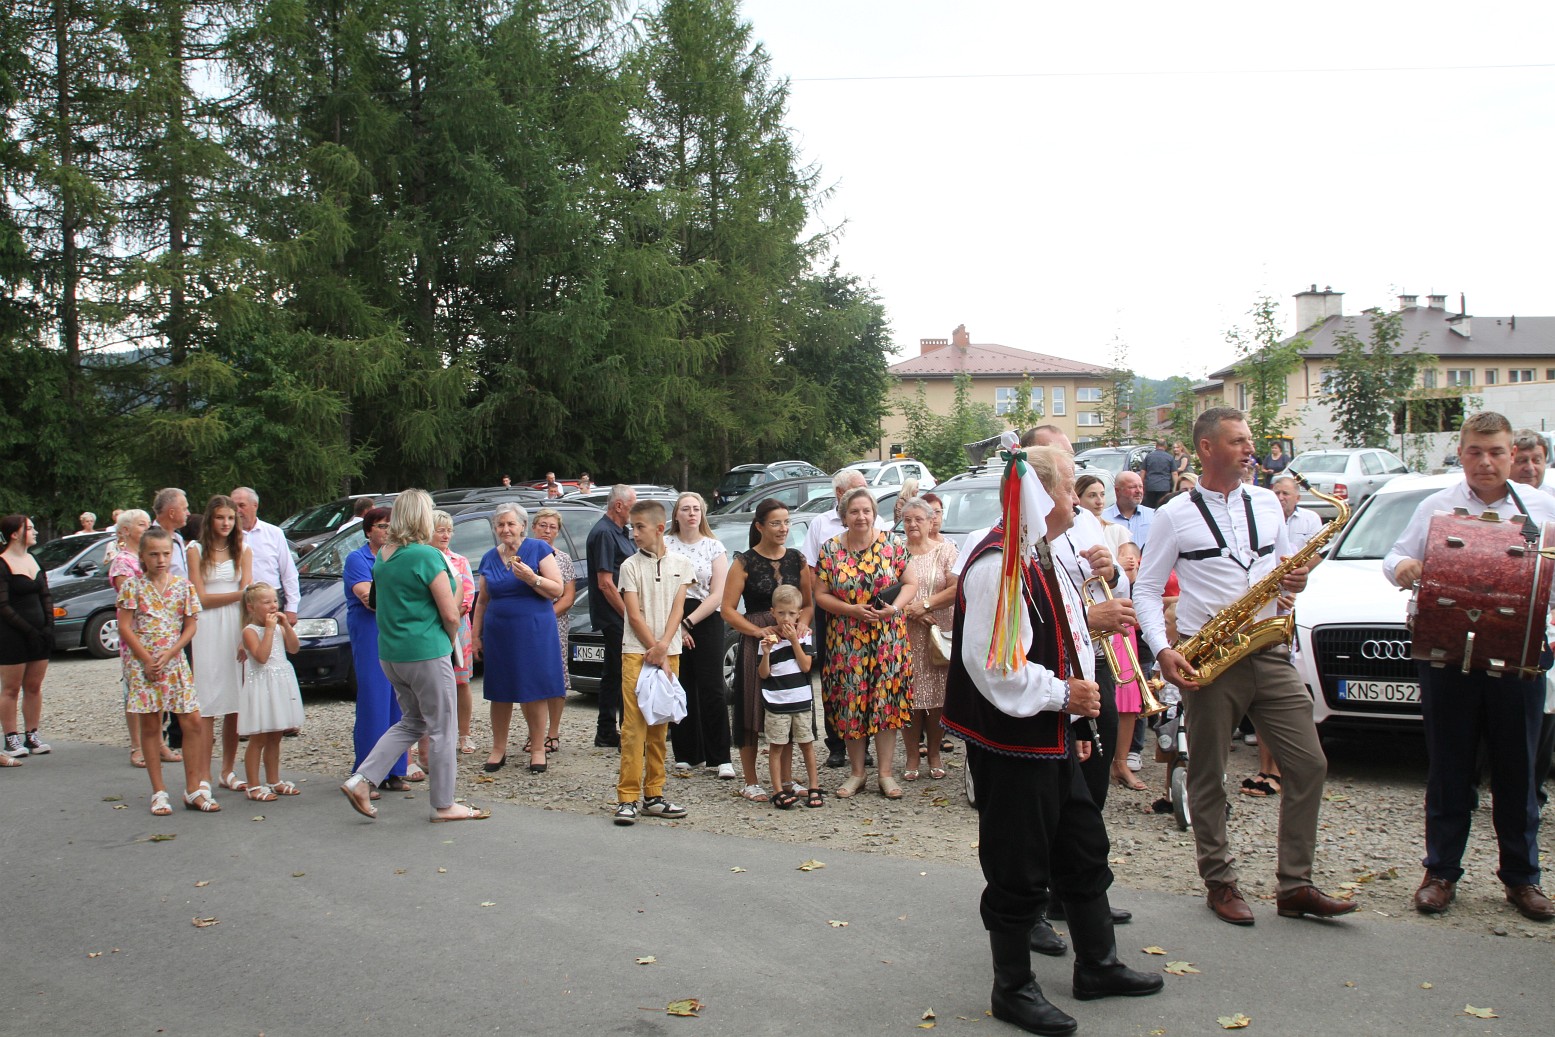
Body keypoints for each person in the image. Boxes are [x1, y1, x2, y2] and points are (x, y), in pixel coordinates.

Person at [944, 439, 1162, 1035]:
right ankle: (1012, 988)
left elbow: (1067, 638)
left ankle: (1098, 965)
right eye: (1069, 487)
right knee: (1017, 867)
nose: (1078, 498)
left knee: (1083, 846)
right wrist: (1066, 696)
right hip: (1014, 744)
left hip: (1056, 735)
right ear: (1041, 496)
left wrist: (1080, 721)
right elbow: (996, 668)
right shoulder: (997, 564)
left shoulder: (1044, 552)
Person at [1135, 406, 1355, 926]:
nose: (1250, 449)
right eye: (1238, 441)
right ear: (1207, 448)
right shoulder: (1173, 514)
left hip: (1267, 647)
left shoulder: (1267, 501)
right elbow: (1146, 589)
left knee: (1309, 764)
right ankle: (1220, 880)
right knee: (1208, 772)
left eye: (1249, 440)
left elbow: (1283, 567)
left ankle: (1295, 885)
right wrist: (1163, 650)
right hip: (1210, 656)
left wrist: (1294, 579)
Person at [1383, 412, 1555, 922]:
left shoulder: (1543, 508)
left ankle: (1522, 878)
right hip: (1447, 656)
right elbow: (1394, 558)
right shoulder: (1436, 506)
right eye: (1475, 452)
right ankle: (1440, 873)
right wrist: (1404, 568)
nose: (1485, 462)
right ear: (1460, 454)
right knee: (1449, 768)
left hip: (1519, 658)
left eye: (1496, 452)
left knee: (1517, 770)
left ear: (1512, 455)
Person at [340, 489, 490, 823]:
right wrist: (449, 641)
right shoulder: (426, 555)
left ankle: (362, 779)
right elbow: (450, 613)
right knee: (443, 727)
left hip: (392, 653)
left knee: (412, 721)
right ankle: (444, 803)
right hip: (425, 651)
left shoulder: (385, 555)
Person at [814, 487, 917, 799]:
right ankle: (857, 773)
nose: (861, 516)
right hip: (847, 639)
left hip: (888, 637)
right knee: (851, 703)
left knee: (886, 703)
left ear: (874, 514)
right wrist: (850, 610)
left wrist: (894, 609)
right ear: (844, 516)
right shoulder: (830, 549)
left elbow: (911, 583)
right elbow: (820, 595)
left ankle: (885, 774)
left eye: (866, 511)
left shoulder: (892, 544)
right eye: (854, 511)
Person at [721, 499, 814, 803]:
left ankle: (786, 778)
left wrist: (802, 624)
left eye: (786, 522)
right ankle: (751, 781)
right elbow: (727, 609)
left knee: (787, 704)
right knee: (751, 707)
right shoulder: (744, 562)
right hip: (758, 641)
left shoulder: (797, 559)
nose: (783, 528)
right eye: (776, 523)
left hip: (791, 640)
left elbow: (808, 603)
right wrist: (758, 631)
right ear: (760, 526)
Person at [117, 528, 215, 814]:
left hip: (175, 662)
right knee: (151, 725)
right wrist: (147, 658)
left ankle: (193, 788)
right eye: (153, 554)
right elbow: (125, 626)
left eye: (165, 554)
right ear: (142, 556)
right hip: (144, 663)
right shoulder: (133, 586)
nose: (160, 560)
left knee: (192, 721)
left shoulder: (183, 586)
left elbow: (191, 625)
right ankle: (158, 791)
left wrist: (172, 652)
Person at [613, 499, 694, 826]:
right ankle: (627, 798)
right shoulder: (629, 566)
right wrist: (653, 647)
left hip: (668, 653)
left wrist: (664, 647)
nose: (634, 533)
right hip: (637, 652)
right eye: (632, 527)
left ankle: (654, 794)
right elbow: (633, 614)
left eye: (639, 527)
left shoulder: (682, 564)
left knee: (660, 725)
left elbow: (678, 609)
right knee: (634, 728)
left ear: (659, 528)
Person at [802, 469, 890, 769]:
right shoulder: (820, 524)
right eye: (858, 488)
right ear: (840, 494)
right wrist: (831, 603)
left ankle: (868, 746)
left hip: (875, 615)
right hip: (835, 614)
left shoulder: (879, 523)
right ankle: (837, 744)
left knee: (874, 681)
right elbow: (811, 569)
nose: (862, 512)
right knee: (836, 679)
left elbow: (896, 571)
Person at [472, 502, 566, 773]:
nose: (505, 529)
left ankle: (538, 749)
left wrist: (531, 578)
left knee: (533, 690)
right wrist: (475, 636)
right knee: (499, 691)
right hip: (499, 632)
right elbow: (482, 601)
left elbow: (557, 589)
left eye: (511, 524)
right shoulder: (489, 557)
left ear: (523, 526)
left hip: (534, 630)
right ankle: (498, 749)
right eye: (500, 524)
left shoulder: (537, 549)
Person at [187, 495, 253, 792]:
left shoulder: (244, 549)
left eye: (230, 518)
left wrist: (245, 633)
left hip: (235, 626)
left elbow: (249, 596)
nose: (225, 523)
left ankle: (228, 769)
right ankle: (203, 773)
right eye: (219, 517)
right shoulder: (195, 550)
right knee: (207, 701)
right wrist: (241, 595)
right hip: (207, 627)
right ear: (209, 520)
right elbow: (200, 598)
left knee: (234, 702)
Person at [664, 492, 732, 778]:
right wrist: (677, 626)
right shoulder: (665, 545)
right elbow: (661, 587)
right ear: (676, 515)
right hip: (671, 616)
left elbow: (718, 594)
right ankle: (687, 754)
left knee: (712, 687)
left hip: (705, 617)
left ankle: (721, 757)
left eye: (696, 509)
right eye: (685, 509)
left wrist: (689, 623)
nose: (691, 513)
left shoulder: (714, 546)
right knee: (681, 684)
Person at [344, 507, 410, 792]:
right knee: (374, 701)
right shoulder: (357, 559)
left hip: (397, 632)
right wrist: (405, 599)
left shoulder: (400, 555)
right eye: (382, 526)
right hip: (371, 632)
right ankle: (366, 774)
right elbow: (368, 597)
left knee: (400, 701)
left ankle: (395, 770)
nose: (387, 531)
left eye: (391, 526)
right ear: (368, 530)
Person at [1510, 431, 1555, 812]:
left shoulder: (1550, 507)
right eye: (1522, 460)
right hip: (1504, 621)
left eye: (1536, 460)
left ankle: (1532, 792)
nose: (1529, 468)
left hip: (1546, 623)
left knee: (1545, 710)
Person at [112, 510, 176, 768]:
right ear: (126, 530)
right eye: (141, 524)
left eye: (148, 524)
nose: (147, 528)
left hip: (160, 635)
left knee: (159, 687)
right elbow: (134, 599)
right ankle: (137, 745)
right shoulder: (122, 562)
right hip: (137, 635)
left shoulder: (156, 556)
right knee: (137, 691)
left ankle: (159, 742)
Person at [899, 497, 957, 780]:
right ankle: (912, 755)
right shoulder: (896, 552)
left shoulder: (946, 550)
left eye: (918, 519)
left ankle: (934, 752)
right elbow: (885, 591)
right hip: (905, 633)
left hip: (938, 632)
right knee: (909, 695)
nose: (912, 524)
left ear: (931, 521)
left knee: (937, 697)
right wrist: (910, 611)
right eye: (907, 519)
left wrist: (924, 606)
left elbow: (956, 588)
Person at [238, 583, 305, 799]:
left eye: (275, 601)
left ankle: (273, 779)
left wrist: (286, 626)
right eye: (266, 602)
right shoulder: (249, 631)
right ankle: (253, 785)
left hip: (280, 684)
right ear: (251, 607)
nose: (273, 606)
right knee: (259, 738)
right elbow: (262, 656)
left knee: (276, 736)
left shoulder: (278, 627)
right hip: (262, 686)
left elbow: (294, 648)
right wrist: (268, 630)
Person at [759, 584, 820, 809]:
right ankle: (778, 790)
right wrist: (766, 653)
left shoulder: (805, 637)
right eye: (781, 613)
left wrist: (794, 641)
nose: (786, 618)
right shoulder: (768, 640)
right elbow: (763, 674)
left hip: (800, 700)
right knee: (776, 746)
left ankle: (814, 786)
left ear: (799, 614)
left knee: (806, 744)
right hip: (776, 702)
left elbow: (806, 666)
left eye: (792, 613)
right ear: (772, 612)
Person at [0, 516, 54, 761]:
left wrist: (48, 626)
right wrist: (29, 630)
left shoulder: (34, 559)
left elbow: (46, 595)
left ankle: (32, 734)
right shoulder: (2, 563)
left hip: (39, 634)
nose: (35, 532)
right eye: (29, 528)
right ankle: (10, 737)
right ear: (14, 534)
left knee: (34, 686)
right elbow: (3, 605)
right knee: (11, 688)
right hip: (12, 635)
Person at [587, 485, 637, 746]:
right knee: (628, 670)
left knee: (613, 672)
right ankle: (628, 732)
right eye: (632, 506)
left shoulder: (620, 532)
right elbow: (605, 583)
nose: (635, 512)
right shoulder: (605, 533)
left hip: (618, 614)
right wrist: (630, 616)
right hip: (615, 615)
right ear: (619, 506)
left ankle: (606, 730)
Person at [430, 511, 478, 760]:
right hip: (430, 629)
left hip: (457, 628)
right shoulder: (423, 559)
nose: (446, 535)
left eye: (449, 530)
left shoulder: (459, 561)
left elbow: (468, 596)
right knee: (430, 685)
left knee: (461, 682)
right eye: (440, 530)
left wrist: (450, 612)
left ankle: (464, 734)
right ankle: (427, 737)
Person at [532, 508, 576, 756]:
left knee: (557, 675)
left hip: (554, 623)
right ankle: (534, 732)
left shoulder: (563, 559)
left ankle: (553, 732)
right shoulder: (522, 555)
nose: (547, 531)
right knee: (531, 677)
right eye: (543, 525)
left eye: (552, 527)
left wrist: (545, 617)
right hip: (527, 624)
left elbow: (568, 597)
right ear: (533, 527)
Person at [231, 488, 300, 626]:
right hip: (237, 604)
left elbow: (288, 572)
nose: (237, 510)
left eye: (241, 505)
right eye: (233, 506)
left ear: (255, 505)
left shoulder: (274, 533)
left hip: (270, 604)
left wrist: (292, 608)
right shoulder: (228, 536)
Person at [1102, 471, 1154, 550]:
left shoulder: (1153, 515)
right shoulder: (1103, 518)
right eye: (1132, 487)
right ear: (1117, 490)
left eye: (1141, 487)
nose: (1138, 491)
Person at [1142, 439, 1174, 509]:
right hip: (1164, 486)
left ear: (1156, 446)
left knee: (1149, 508)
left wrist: (1141, 485)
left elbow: (1143, 472)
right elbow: (1174, 474)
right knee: (1162, 507)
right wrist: (1175, 487)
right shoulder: (1170, 457)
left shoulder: (1149, 456)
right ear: (1165, 446)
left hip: (1150, 486)